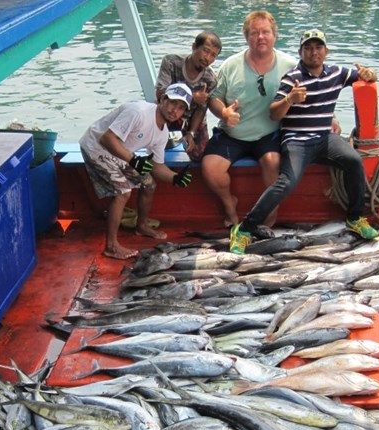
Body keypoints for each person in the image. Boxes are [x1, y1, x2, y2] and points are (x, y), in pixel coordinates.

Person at [229, 29, 379, 254]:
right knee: (287, 182)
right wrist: (290, 99)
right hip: (296, 140)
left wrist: (369, 74)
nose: (313, 52)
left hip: (324, 138)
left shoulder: (337, 73)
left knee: (353, 160)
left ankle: (355, 217)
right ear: (301, 52)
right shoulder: (293, 78)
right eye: (308, 48)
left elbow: (363, 76)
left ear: (326, 51)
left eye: (318, 47)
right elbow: (274, 113)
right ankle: (244, 228)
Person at [201, 11, 296, 228]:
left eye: (265, 32)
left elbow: (310, 93)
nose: (260, 37)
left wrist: (332, 118)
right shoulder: (230, 65)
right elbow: (213, 99)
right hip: (233, 134)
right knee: (210, 167)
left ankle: (268, 219)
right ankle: (229, 204)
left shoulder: (290, 65)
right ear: (246, 37)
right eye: (254, 33)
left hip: (268, 134)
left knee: (273, 163)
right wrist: (224, 113)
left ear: (274, 35)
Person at [79, 82, 195, 260]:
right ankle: (111, 246)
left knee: (149, 184)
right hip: (96, 146)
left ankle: (141, 226)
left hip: (119, 153)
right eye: (172, 103)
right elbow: (107, 139)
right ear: (162, 99)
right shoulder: (138, 112)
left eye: (180, 108)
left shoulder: (162, 133)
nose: (174, 110)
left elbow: (157, 166)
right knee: (123, 192)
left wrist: (176, 178)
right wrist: (133, 159)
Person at [155, 31, 222, 161]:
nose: (207, 58)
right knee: (154, 143)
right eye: (205, 51)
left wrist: (191, 133)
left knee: (201, 155)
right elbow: (161, 93)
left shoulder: (210, 79)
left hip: (191, 118)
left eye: (213, 55)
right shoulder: (171, 62)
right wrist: (191, 97)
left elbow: (201, 109)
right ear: (194, 46)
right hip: (167, 110)